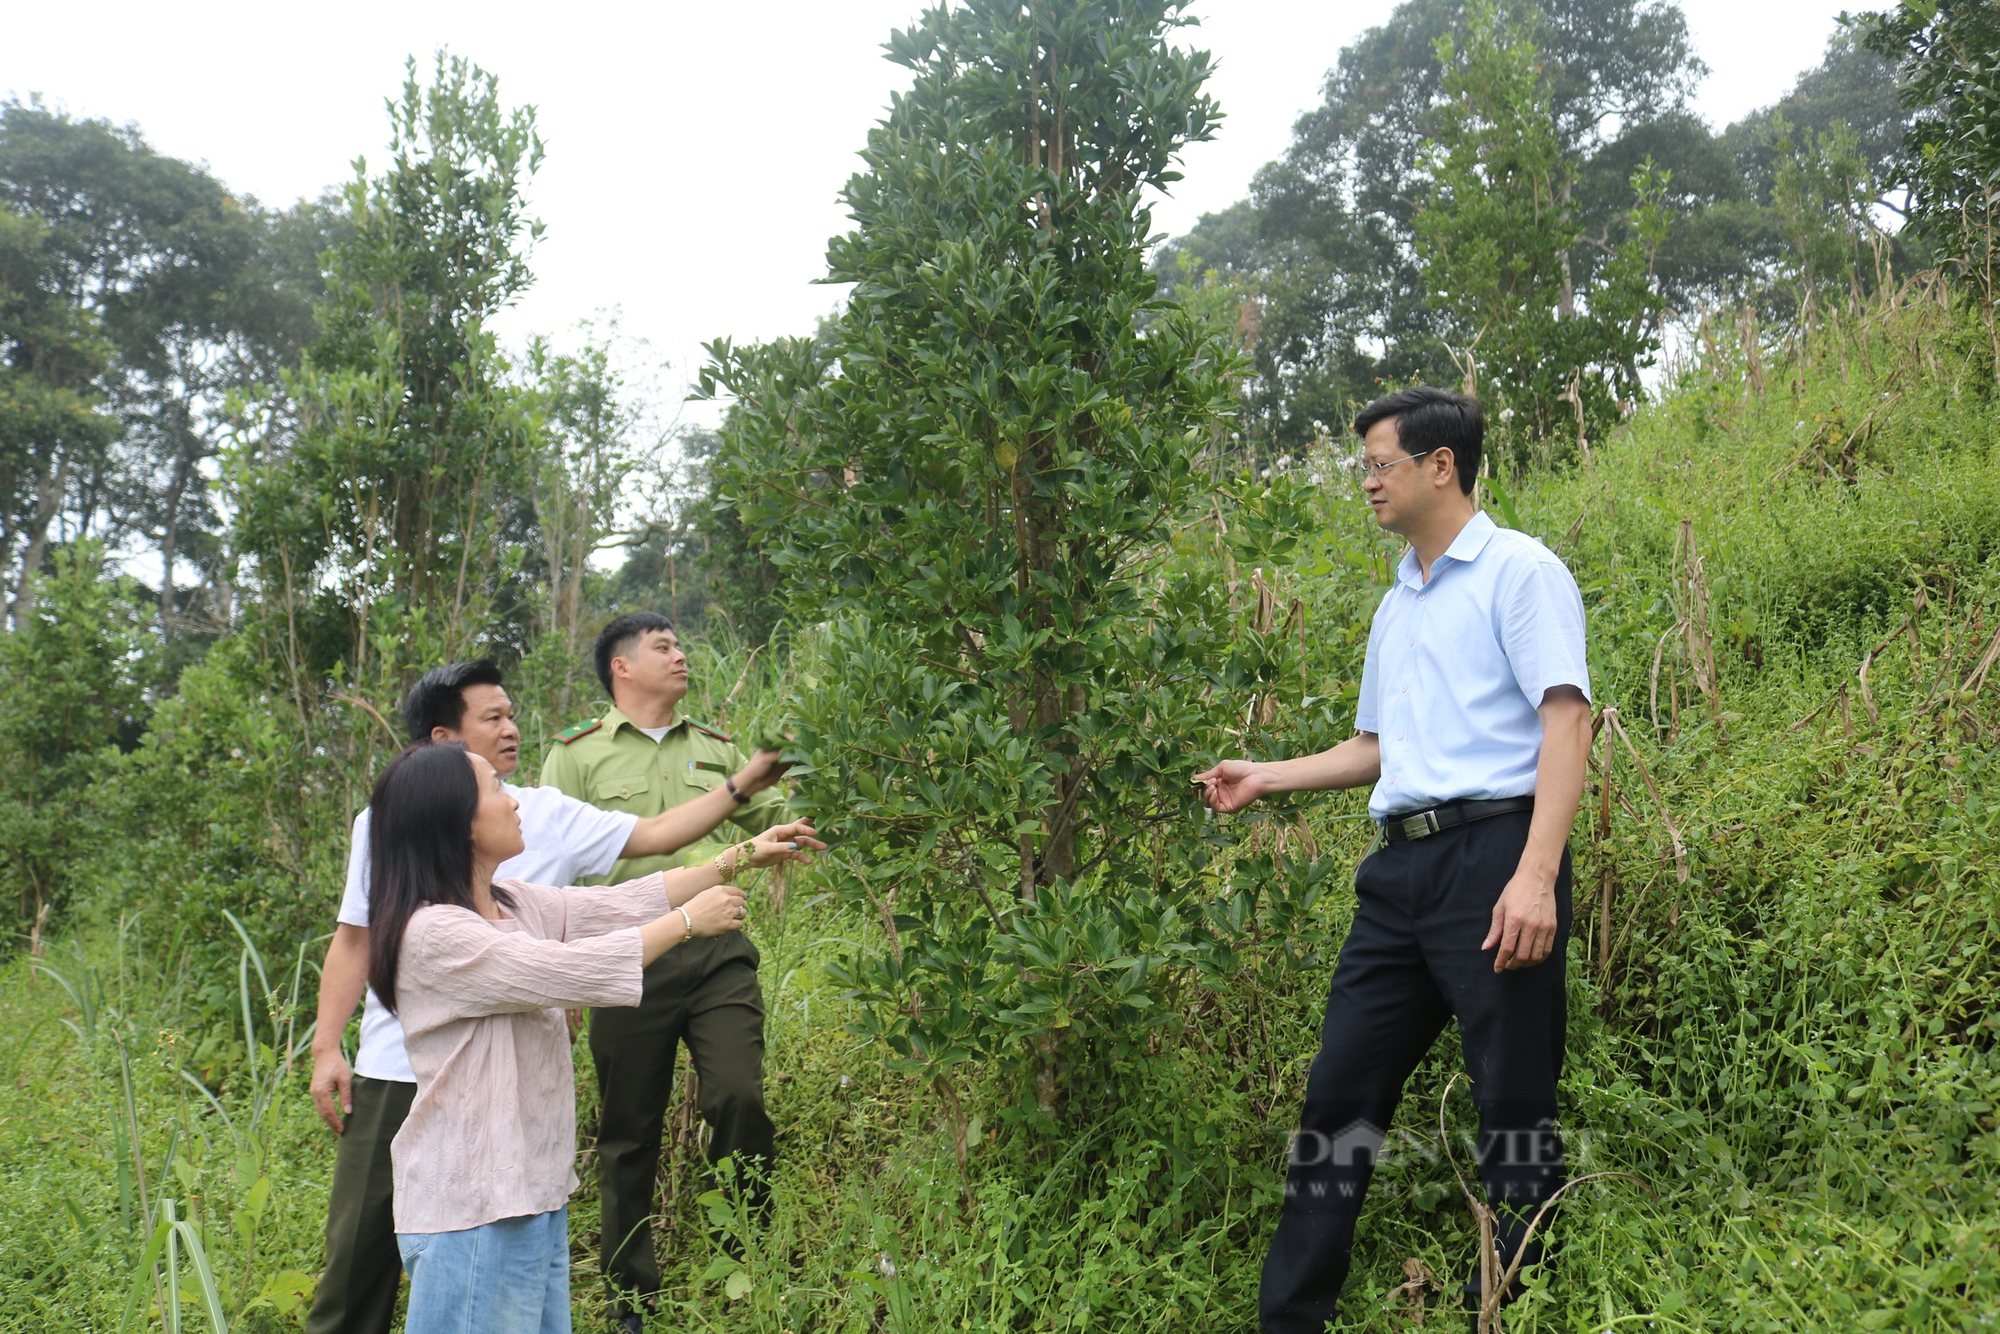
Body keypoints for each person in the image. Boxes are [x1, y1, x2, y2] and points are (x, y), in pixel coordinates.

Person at [1194, 387, 1593, 1333]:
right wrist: (1267, 776)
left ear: (1438, 465)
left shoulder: (1519, 573)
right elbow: (1378, 748)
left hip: (1498, 854)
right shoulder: (1397, 601)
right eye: (1365, 465)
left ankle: (1508, 1305)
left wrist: (1536, 873)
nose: (1366, 481)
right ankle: (1290, 1318)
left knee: (1512, 1097)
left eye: (1379, 463)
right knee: (1341, 1091)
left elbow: (1567, 721)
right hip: (1399, 875)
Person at [306, 659, 788, 1334]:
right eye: (493, 792)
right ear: (457, 823)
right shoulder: (437, 932)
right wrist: (687, 923)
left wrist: (738, 856)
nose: (513, 799)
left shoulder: (506, 902)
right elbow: (566, 971)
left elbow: (613, 905)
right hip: (473, 1209)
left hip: (529, 1193)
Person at [536, 613, 788, 1331]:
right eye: (665, 647)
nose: (681, 656)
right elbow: (553, 871)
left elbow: (775, 813)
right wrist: (567, 973)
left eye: (680, 645)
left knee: (739, 1095)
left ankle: (748, 1260)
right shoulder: (576, 755)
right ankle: (630, 1300)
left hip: (718, 953)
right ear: (622, 666)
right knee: (628, 1132)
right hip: (625, 958)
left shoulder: (717, 747)